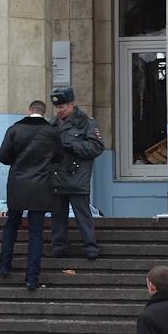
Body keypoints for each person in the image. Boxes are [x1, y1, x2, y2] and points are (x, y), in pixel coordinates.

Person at [0, 100, 62, 290]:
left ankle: (4, 266)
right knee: (36, 232)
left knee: (11, 225)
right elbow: (59, 157)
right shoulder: (52, 132)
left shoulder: (14, 130)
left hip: (17, 184)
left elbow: (3, 157)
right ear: (44, 112)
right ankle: (31, 278)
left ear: (29, 111)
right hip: (41, 185)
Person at [50, 86, 104, 259]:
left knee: (82, 215)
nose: (59, 110)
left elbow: (96, 147)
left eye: (62, 107)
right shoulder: (52, 124)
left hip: (77, 177)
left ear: (71, 104)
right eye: (56, 107)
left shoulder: (87, 123)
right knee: (58, 216)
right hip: (56, 176)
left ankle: (90, 247)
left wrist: (72, 146)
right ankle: (59, 246)